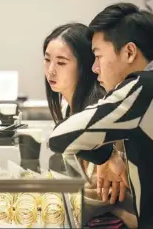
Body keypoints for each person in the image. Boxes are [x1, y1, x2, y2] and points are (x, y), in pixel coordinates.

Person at [48, 2, 153, 228]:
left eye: (98, 56)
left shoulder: (142, 87)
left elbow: (60, 136)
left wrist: (107, 157)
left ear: (129, 52)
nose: (95, 68)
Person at [43, 23, 137, 227]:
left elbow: (103, 195)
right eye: (47, 60)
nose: (50, 70)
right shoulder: (69, 106)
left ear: (84, 65)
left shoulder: (98, 111)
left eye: (61, 62)